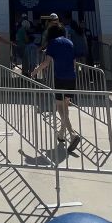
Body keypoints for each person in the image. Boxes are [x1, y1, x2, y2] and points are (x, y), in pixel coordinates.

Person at [32, 24, 81, 154]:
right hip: (71, 78)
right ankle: (61, 134)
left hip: (60, 78)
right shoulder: (70, 42)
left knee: (59, 107)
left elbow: (46, 63)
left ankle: (72, 134)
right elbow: (74, 63)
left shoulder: (52, 43)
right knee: (65, 107)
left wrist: (36, 71)